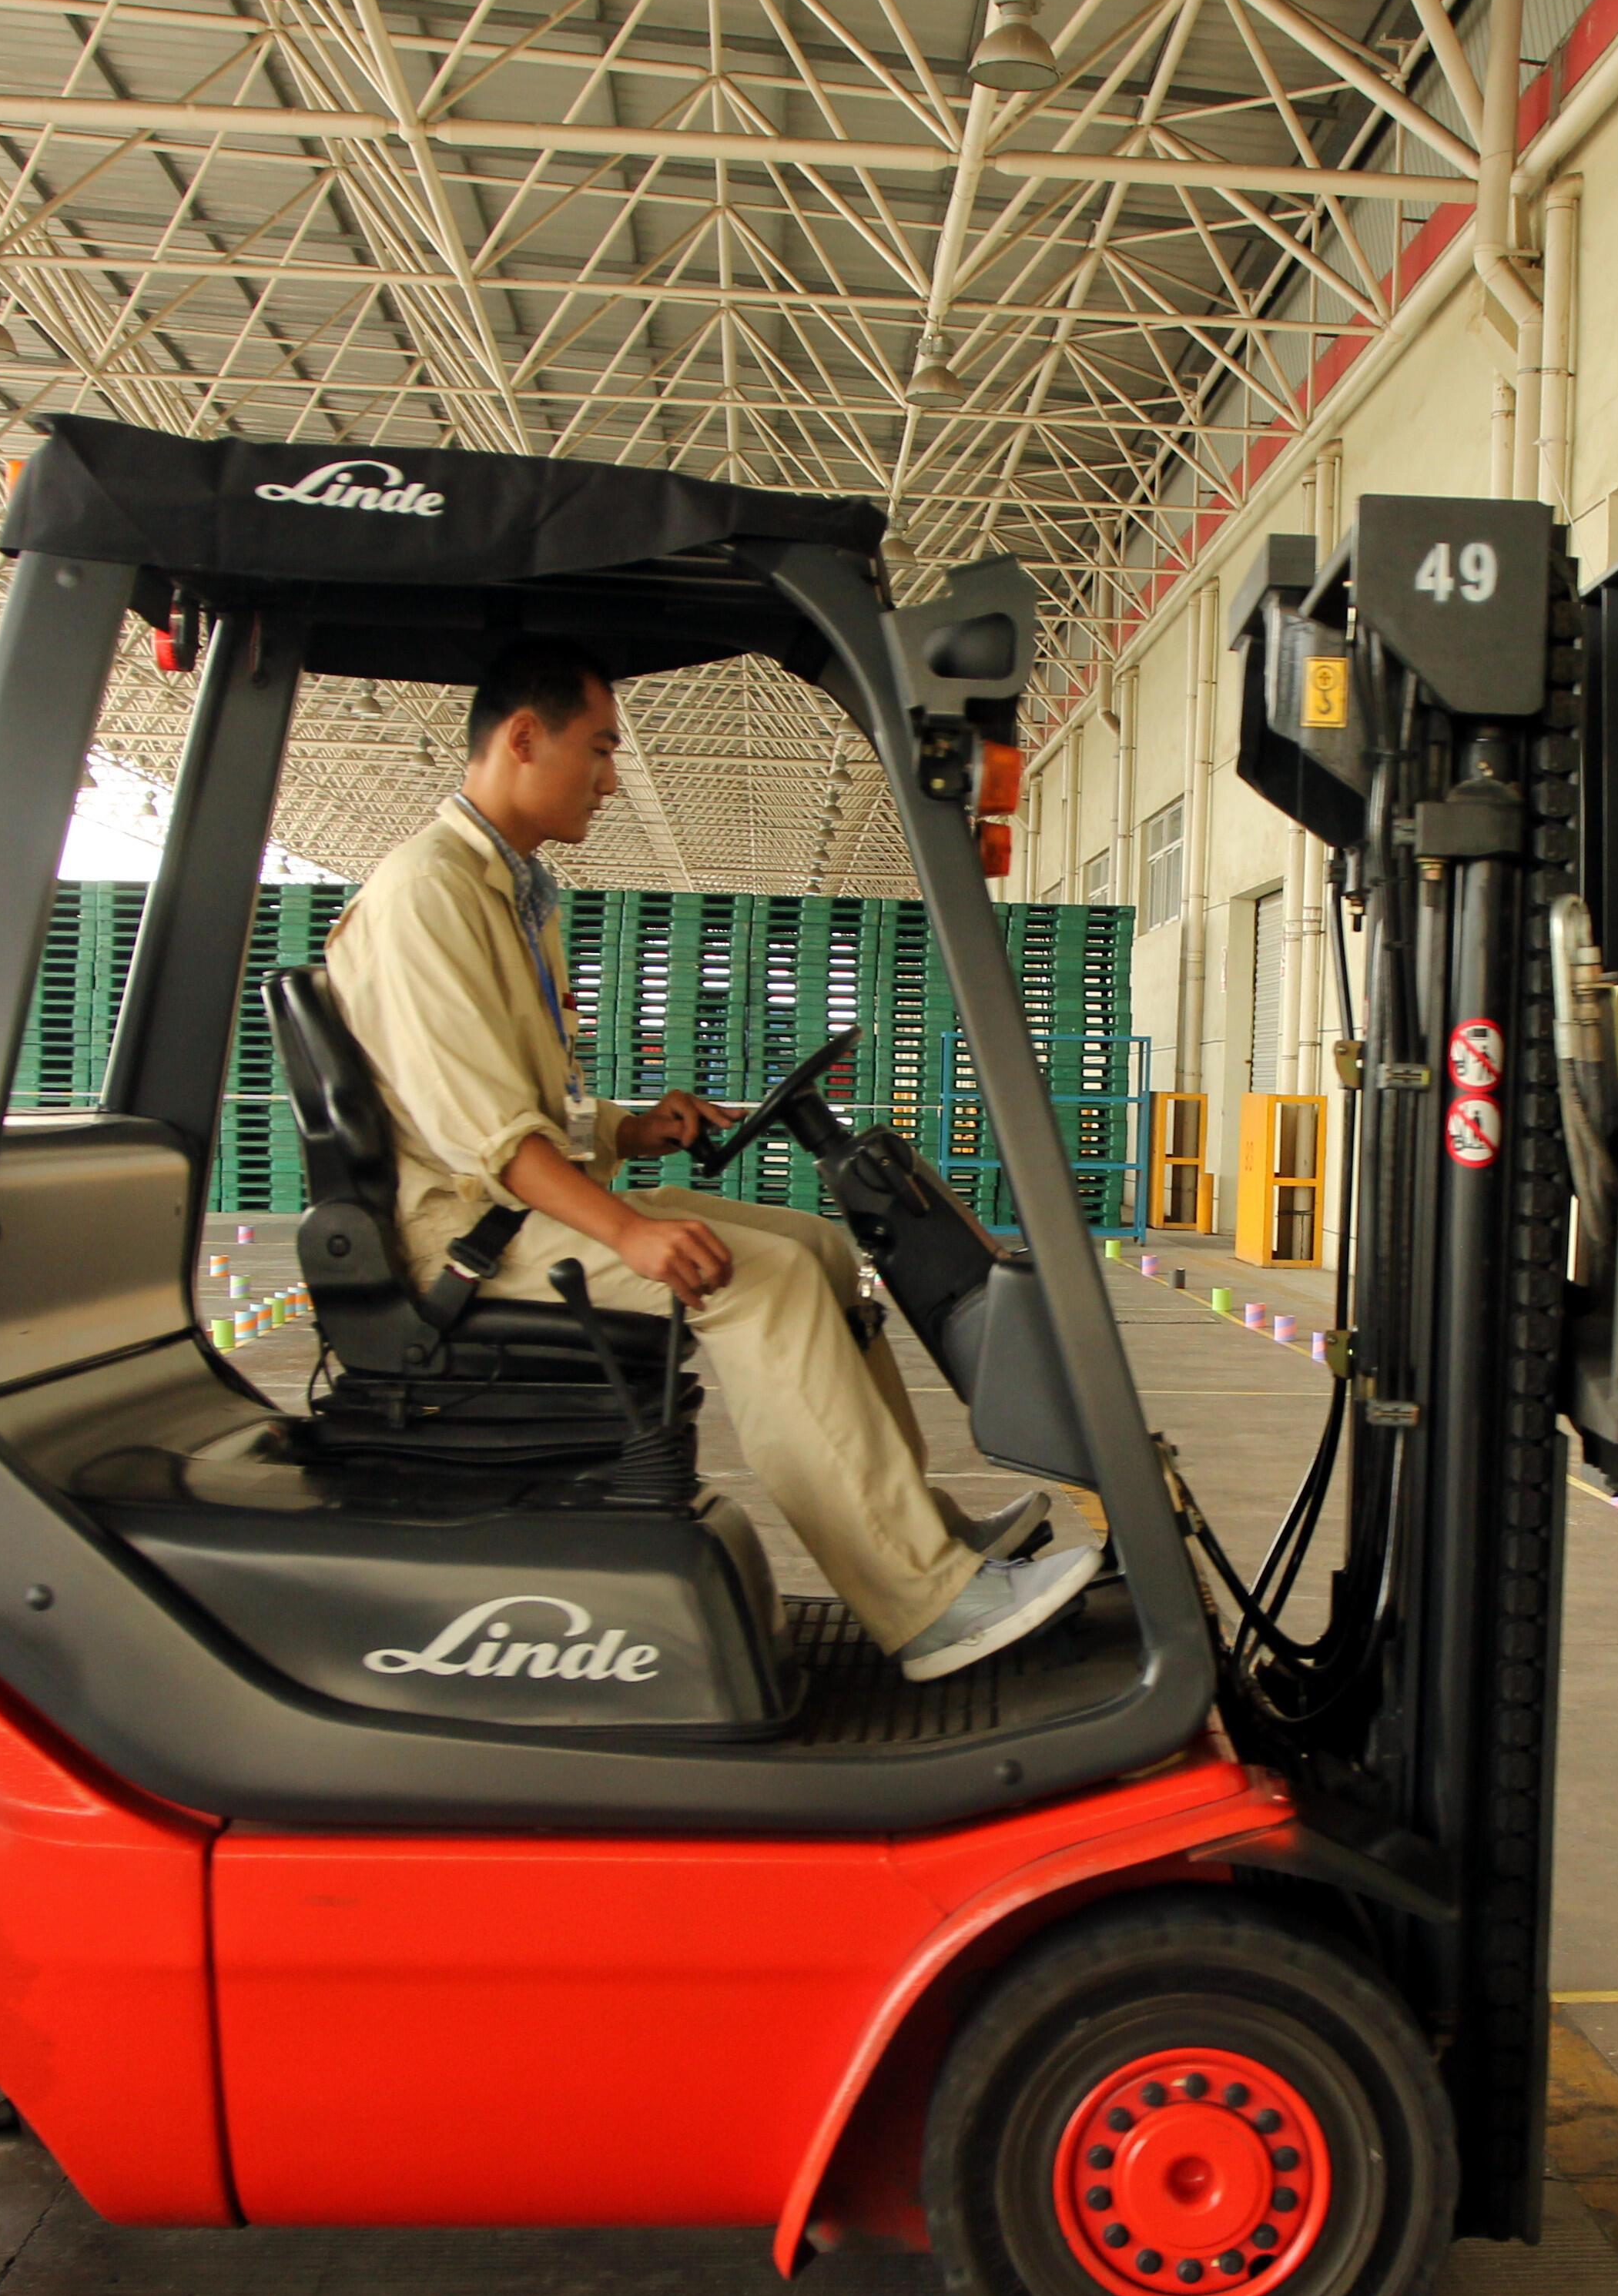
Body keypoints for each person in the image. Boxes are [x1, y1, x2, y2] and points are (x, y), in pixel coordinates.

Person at [323, 639, 1102, 1682]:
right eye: (600, 749)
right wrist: (629, 1232)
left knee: (820, 1249)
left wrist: (634, 1131)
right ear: (525, 739)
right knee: (760, 1282)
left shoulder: (506, 890)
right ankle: (925, 1603)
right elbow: (490, 1136)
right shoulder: (430, 891)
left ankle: (916, 1531)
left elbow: (528, 1101)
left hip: (516, 1207)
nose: (610, 779)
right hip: (468, 1240)